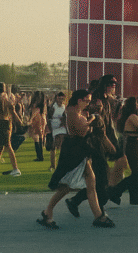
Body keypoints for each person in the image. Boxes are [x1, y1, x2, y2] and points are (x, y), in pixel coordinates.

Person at [38, 89, 115, 229]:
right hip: (73, 150)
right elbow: (82, 130)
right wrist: (92, 119)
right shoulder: (72, 112)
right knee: (66, 187)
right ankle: (48, 212)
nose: (88, 103)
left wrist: (88, 119)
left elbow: (85, 130)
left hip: (79, 149)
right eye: (87, 100)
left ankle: (98, 216)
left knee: (90, 182)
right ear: (79, 100)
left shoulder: (77, 112)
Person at [108, 97, 138, 205]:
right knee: (137, 173)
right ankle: (115, 191)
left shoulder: (130, 116)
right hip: (131, 143)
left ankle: (135, 197)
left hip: (133, 142)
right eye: (137, 103)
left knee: (135, 172)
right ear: (134, 105)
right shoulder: (133, 117)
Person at [48, 92, 68, 173]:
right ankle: (53, 165)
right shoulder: (53, 107)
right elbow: (48, 118)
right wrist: (49, 129)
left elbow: (65, 118)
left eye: (62, 99)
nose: (61, 100)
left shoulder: (64, 107)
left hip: (61, 127)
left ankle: (61, 164)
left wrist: (63, 123)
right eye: (60, 99)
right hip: (54, 126)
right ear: (57, 98)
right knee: (53, 147)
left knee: (61, 145)